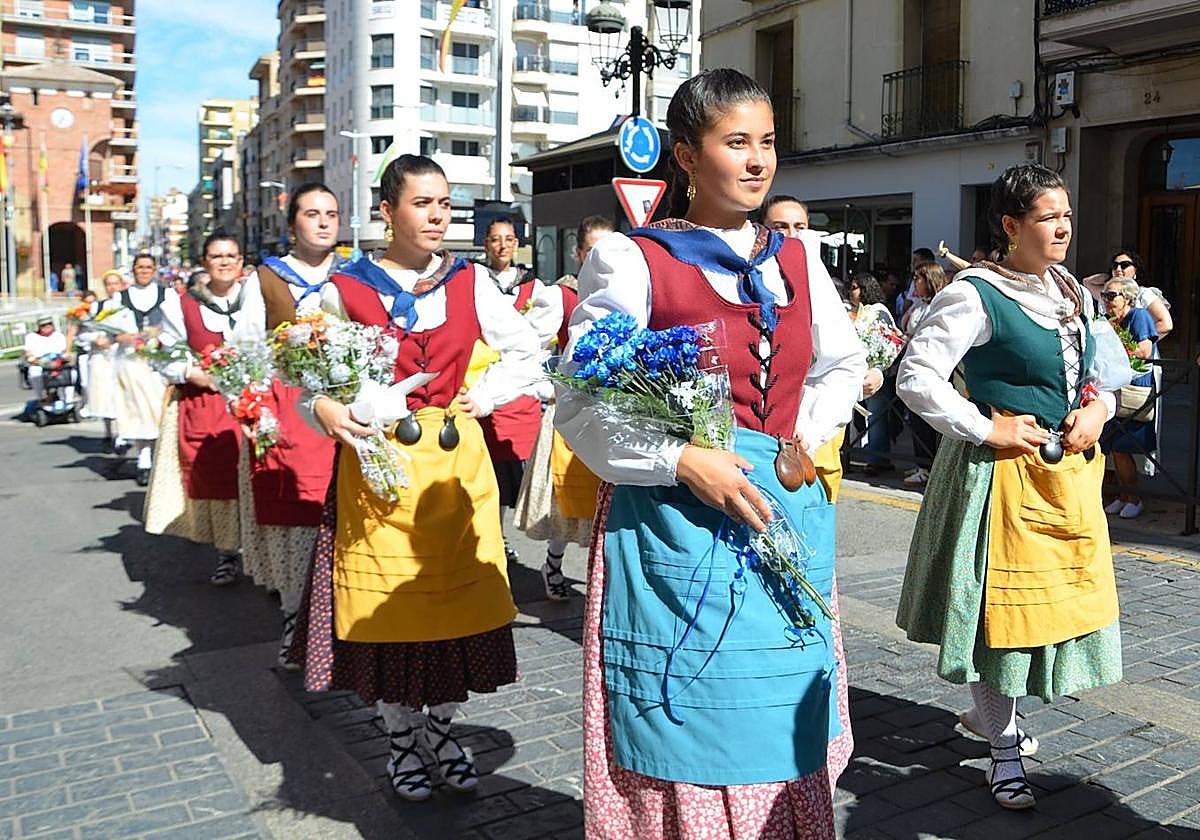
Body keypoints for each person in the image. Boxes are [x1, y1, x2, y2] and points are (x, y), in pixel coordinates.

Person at [556, 68, 865, 838]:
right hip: (671, 527)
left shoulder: (798, 257)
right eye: (737, 143)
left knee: (780, 709)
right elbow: (580, 402)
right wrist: (680, 460)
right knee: (688, 710)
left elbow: (842, 361)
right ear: (687, 156)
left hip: (780, 511)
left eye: (767, 143)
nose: (758, 161)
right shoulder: (632, 260)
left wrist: (806, 438)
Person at [287, 155, 541, 802]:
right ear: (387, 210)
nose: (438, 216)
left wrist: (483, 396)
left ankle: (443, 728)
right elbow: (301, 372)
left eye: (445, 204)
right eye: (423, 203)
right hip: (379, 472)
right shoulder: (344, 288)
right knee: (391, 610)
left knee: (457, 605)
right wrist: (323, 406)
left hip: (456, 470)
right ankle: (401, 737)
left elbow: (526, 348)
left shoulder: (471, 282)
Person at [896, 163, 1121, 811]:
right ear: (1010, 224)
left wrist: (1097, 410)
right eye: (1048, 217)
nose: (1063, 228)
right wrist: (983, 425)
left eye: (1067, 216)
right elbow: (918, 377)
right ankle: (1002, 748)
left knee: (1042, 613)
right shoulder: (975, 293)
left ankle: (994, 720)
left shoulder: (1071, 291)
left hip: (1062, 478)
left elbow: (1103, 376)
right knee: (1002, 624)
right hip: (996, 480)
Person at [240, 183, 343, 666]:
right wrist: (257, 409)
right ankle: (293, 620)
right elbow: (248, 351)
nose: (323, 222)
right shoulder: (264, 280)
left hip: (347, 408)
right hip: (291, 408)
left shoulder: (359, 274)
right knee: (297, 520)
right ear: (292, 225)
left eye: (331, 214)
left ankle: (343, 624)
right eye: (312, 214)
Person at [144, 234, 265, 585]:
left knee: (262, 476)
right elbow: (165, 353)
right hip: (207, 403)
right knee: (219, 479)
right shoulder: (181, 304)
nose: (225, 262)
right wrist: (191, 372)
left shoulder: (256, 299)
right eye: (216, 256)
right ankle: (227, 552)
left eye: (231, 255)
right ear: (205, 261)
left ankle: (263, 558)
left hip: (256, 399)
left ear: (241, 261)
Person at [515, 215, 615, 600]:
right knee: (562, 501)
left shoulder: (623, 295)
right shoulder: (561, 297)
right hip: (568, 413)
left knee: (599, 501)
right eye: (592, 250)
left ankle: (600, 579)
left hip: (608, 414)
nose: (600, 258)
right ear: (578, 253)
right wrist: (550, 386)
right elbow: (528, 348)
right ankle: (553, 565)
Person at [476, 216, 562, 564]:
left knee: (525, 477)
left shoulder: (536, 288)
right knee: (490, 479)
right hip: (485, 392)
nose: (502, 246)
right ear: (486, 245)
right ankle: (495, 539)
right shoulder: (476, 283)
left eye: (508, 239)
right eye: (495, 239)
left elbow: (541, 341)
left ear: (517, 244)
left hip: (522, 396)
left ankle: (538, 549)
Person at [105, 254, 169, 485]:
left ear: (155, 270)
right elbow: (109, 329)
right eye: (140, 267)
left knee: (157, 409)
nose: (144, 271)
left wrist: (158, 333)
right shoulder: (119, 297)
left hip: (158, 359)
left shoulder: (166, 294)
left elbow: (175, 324)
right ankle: (144, 460)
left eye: (149, 267)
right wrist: (120, 336)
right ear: (133, 270)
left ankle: (159, 457)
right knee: (138, 408)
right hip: (131, 360)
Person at [1099, 276, 1158, 519]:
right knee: (1115, 447)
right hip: (1117, 387)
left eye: (1112, 295)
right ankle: (1122, 495)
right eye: (1104, 295)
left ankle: (1134, 498)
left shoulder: (1139, 316)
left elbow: (1144, 350)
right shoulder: (1112, 320)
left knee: (1124, 447)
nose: (1106, 300)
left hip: (1134, 388)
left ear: (1129, 298)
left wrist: (1114, 351)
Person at [898, 261, 950, 486]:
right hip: (910, 366)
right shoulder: (919, 304)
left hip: (928, 372)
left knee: (926, 421)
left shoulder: (938, 306)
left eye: (918, 279)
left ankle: (928, 465)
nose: (914, 284)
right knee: (915, 419)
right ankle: (922, 463)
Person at [848, 272, 896, 475]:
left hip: (876, 373)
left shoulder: (878, 311)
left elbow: (886, 338)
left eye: (855, 287)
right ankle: (851, 454)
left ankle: (878, 458)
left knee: (875, 416)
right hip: (856, 372)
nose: (851, 292)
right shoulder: (857, 311)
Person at [1082, 249, 1172, 340]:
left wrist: (1137, 341)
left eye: (1124, 265)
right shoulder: (1107, 294)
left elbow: (1166, 324)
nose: (1118, 269)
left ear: (1135, 270)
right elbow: (1087, 282)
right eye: (1115, 266)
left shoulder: (1144, 294)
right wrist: (1109, 277)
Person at [23, 316, 73, 405]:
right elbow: (29, 354)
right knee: (34, 373)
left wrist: (65, 358)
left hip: (58, 363)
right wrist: (38, 361)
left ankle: (69, 400)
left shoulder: (58, 336)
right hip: (39, 363)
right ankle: (42, 398)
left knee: (70, 374)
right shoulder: (31, 337)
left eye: (49, 324)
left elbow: (64, 352)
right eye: (44, 325)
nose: (47, 326)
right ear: (39, 326)